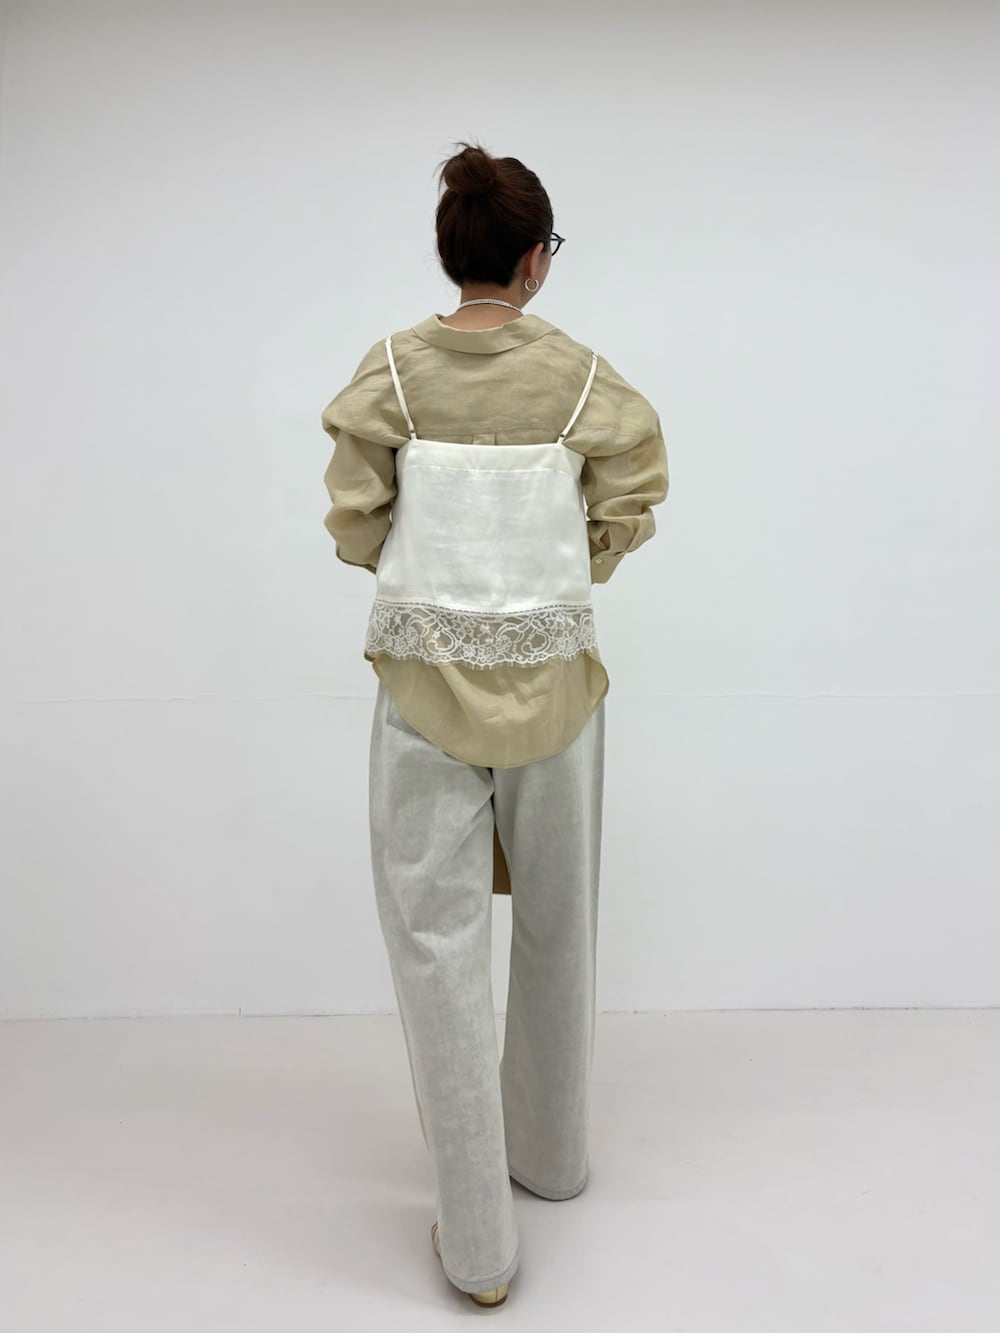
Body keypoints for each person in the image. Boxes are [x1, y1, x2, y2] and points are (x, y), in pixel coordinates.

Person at [319, 139, 669, 1307]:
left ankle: (477, 1246)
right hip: (555, 686)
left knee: (437, 948)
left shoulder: (392, 371)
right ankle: (552, 1159)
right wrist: (565, 566)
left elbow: (354, 518)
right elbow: (631, 493)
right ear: (532, 261)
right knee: (559, 923)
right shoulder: (577, 376)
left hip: (423, 684)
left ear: (451, 252)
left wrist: (426, 568)